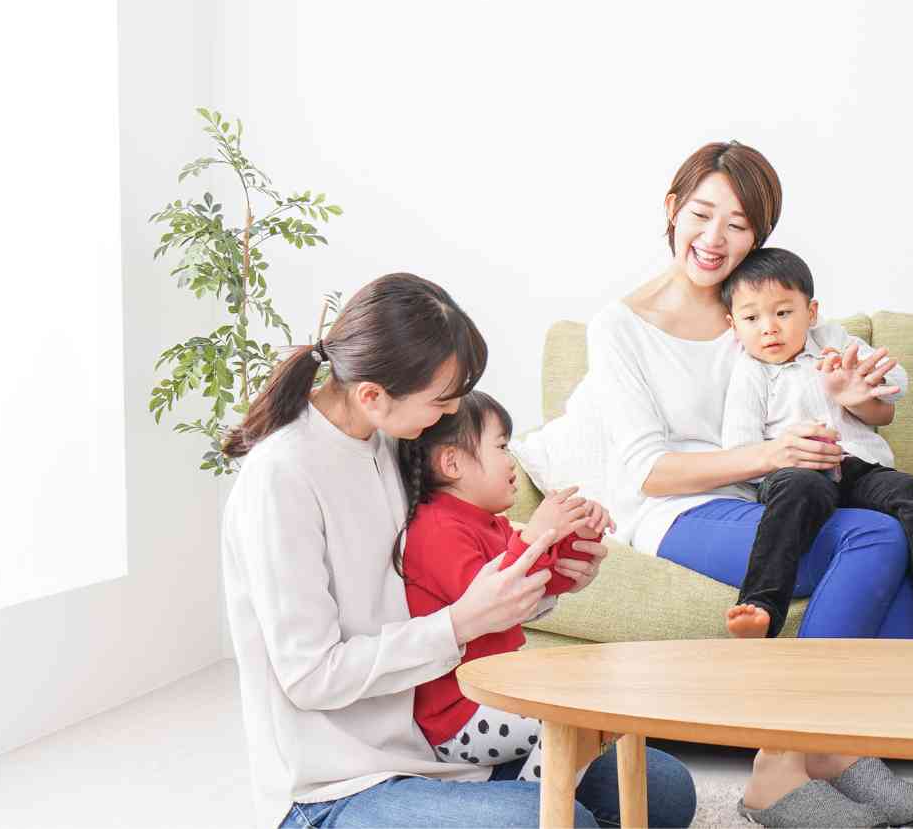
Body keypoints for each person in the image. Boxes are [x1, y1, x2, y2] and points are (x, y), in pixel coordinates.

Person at [220, 272, 695, 828]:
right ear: (373, 396)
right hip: (337, 783)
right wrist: (457, 625)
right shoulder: (282, 477)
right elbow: (310, 677)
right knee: (553, 822)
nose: (449, 416)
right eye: (441, 401)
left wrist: (548, 585)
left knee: (662, 790)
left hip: (435, 747)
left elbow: (449, 580)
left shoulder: (387, 441)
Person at [587, 141, 913, 826]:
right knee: (873, 535)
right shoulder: (621, 328)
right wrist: (771, 453)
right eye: (701, 214)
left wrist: (846, 401)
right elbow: (648, 473)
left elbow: (856, 397)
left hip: (773, 499)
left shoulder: (762, 308)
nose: (715, 238)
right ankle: (780, 762)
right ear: (672, 210)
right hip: (682, 510)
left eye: (739, 224)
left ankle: (838, 747)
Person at [718, 247, 913, 643]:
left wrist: (860, 387)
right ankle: (762, 606)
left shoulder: (833, 340)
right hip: (794, 472)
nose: (768, 328)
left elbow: (896, 383)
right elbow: (741, 447)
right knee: (798, 491)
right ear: (733, 325)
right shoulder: (750, 372)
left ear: (811, 312)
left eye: (783, 313)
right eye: (752, 318)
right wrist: (786, 449)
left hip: (858, 468)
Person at [398, 390, 608, 783]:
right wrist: (537, 535)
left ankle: (540, 802)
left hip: (500, 694)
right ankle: (536, 811)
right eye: (501, 446)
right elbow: (494, 601)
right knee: (576, 721)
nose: (511, 460)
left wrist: (578, 537)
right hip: (460, 714)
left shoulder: (488, 522)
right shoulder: (436, 528)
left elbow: (538, 583)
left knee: (601, 709)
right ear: (452, 462)